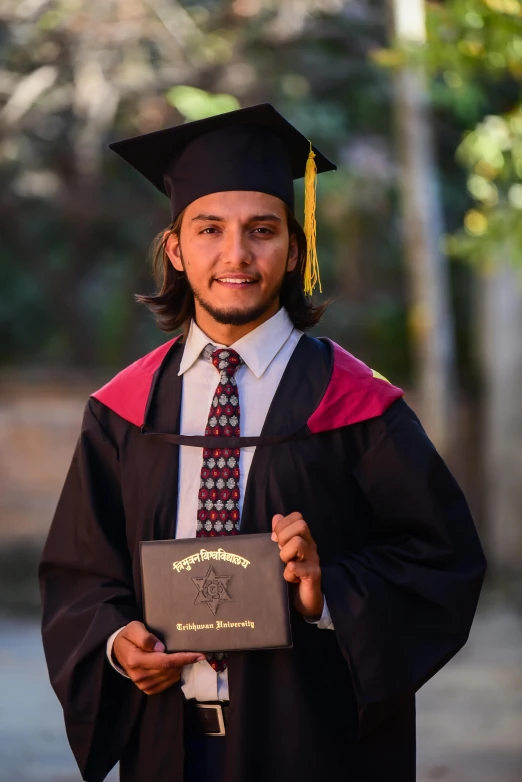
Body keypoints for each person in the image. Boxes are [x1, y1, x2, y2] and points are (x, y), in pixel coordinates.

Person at [39, 104, 486, 782]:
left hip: (309, 745)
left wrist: (325, 589)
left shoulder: (357, 403)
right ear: (176, 249)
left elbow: (442, 561)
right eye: (210, 229)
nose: (236, 255)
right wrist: (113, 641)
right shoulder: (124, 411)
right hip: (166, 747)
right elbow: (80, 573)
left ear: (295, 249)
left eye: (263, 230)